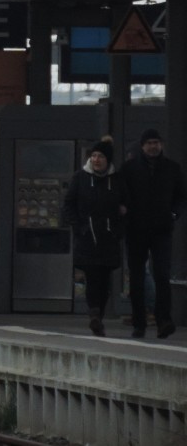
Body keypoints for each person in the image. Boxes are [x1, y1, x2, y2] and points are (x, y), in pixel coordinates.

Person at [120, 128, 187, 339]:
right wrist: (125, 213)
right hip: (136, 230)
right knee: (137, 277)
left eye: (156, 142)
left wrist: (173, 214)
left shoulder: (172, 169)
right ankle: (139, 322)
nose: (153, 146)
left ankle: (163, 320)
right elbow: (121, 194)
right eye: (149, 143)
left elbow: (181, 196)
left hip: (162, 230)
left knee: (162, 275)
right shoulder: (129, 169)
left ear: (161, 145)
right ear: (142, 146)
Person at [62, 136, 127, 336]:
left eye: (100, 156)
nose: (97, 160)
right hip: (87, 236)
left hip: (108, 237)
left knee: (105, 278)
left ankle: (98, 312)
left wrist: (118, 229)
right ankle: (94, 315)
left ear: (108, 160)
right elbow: (69, 204)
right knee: (92, 276)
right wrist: (79, 227)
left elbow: (126, 206)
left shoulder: (116, 180)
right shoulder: (80, 178)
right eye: (94, 156)